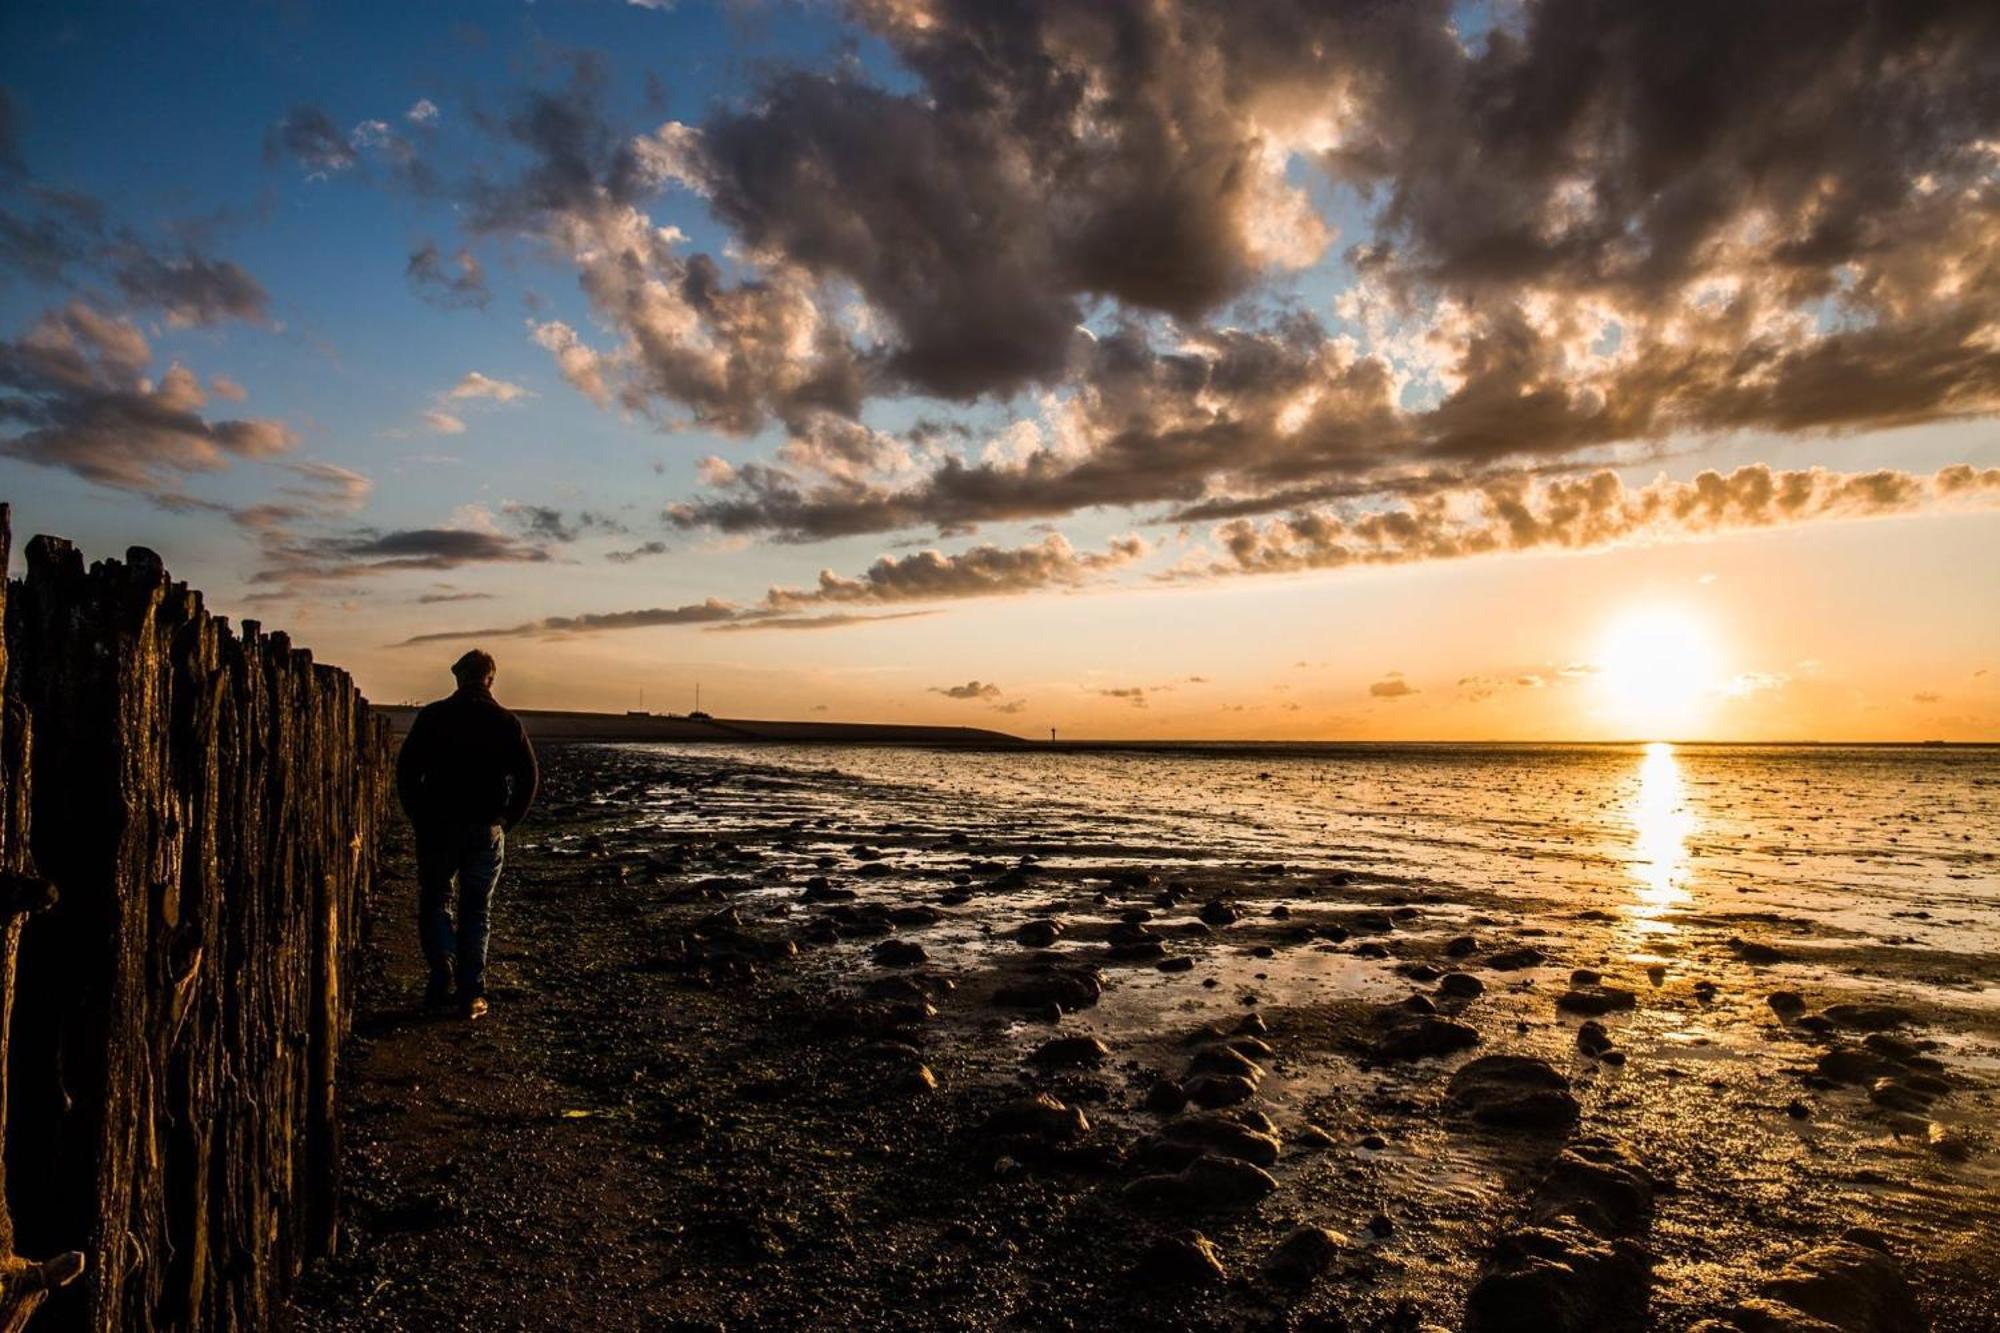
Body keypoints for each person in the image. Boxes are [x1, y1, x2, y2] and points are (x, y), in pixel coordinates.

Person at [395, 649, 538, 1020]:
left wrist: (418, 815)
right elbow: (528, 777)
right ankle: (471, 991)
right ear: (490, 679)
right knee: (477, 909)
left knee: (436, 899)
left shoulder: (433, 717)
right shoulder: (505, 721)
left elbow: (406, 770)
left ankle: (443, 963)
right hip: (484, 826)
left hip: (438, 824)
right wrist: (508, 820)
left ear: (458, 676)